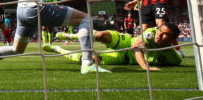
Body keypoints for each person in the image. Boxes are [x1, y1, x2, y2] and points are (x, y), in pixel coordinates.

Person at [50, 22, 182, 71]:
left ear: (172, 40)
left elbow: (177, 60)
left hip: (124, 58)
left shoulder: (174, 59)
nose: (159, 35)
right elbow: (136, 47)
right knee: (101, 35)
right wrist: (145, 66)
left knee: (92, 58)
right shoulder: (150, 33)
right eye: (160, 30)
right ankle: (71, 36)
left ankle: (58, 49)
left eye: (165, 34)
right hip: (127, 42)